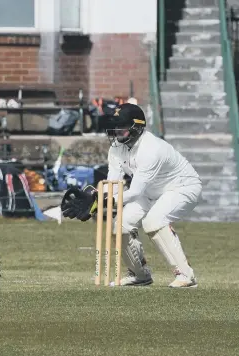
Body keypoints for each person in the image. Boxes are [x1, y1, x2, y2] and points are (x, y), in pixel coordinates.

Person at [60, 103, 201, 288]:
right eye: (116, 127)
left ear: (137, 127)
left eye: (122, 127)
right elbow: (113, 184)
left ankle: (186, 275)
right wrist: (95, 199)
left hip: (181, 187)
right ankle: (139, 274)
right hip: (150, 191)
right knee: (119, 226)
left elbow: (134, 192)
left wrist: (105, 201)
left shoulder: (152, 149)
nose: (117, 132)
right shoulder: (117, 148)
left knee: (153, 222)